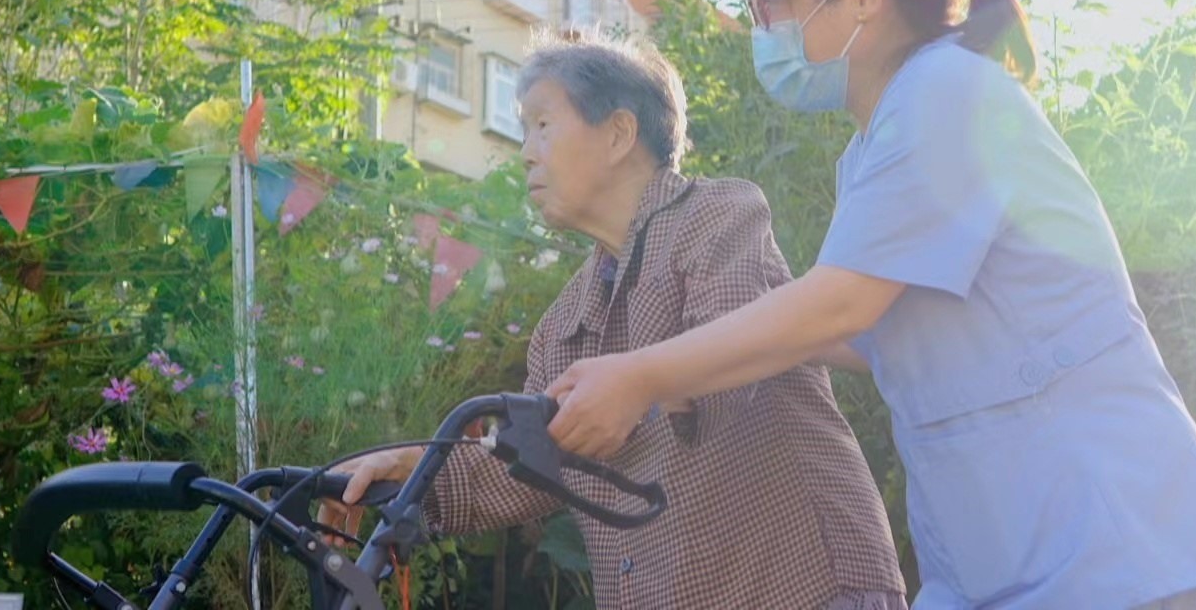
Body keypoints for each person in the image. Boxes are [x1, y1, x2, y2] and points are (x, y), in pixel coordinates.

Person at [544, 0, 1196, 610]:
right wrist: (695, 342)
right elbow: (864, 332)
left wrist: (643, 375)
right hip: (1007, 548)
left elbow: (840, 305)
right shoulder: (875, 146)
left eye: (771, 0)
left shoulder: (945, 92)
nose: (763, 27)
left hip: (1108, 541)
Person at [318, 35, 909, 609]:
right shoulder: (563, 324)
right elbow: (524, 469)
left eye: (543, 124)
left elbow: (734, 368)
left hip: (806, 587)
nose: (526, 152)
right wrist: (411, 468)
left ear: (620, 134)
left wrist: (635, 385)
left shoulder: (715, 215)